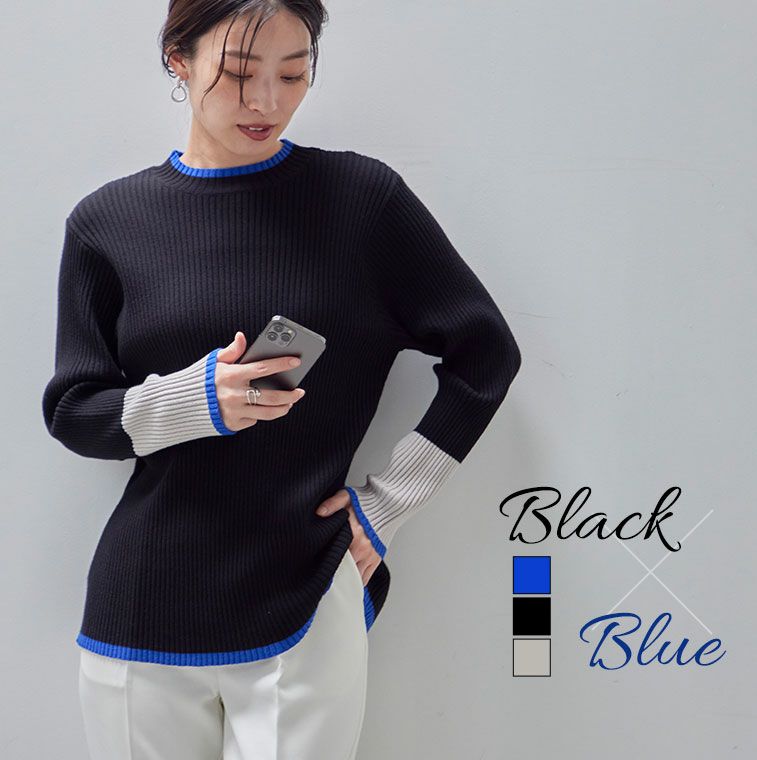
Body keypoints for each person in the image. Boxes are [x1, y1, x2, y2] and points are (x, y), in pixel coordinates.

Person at [41, 1, 522, 758]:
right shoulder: (108, 222)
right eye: (239, 73)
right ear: (178, 59)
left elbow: (486, 355)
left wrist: (386, 507)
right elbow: (74, 411)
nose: (267, 100)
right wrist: (195, 401)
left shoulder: (361, 203)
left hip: (306, 588)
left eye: (293, 74)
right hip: (141, 604)